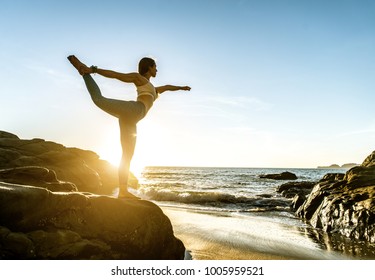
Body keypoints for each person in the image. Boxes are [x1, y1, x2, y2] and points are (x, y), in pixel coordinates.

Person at [67, 55, 191, 199]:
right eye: (155, 66)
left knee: (127, 156)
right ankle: (84, 71)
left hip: (131, 120)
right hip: (134, 110)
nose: (157, 69)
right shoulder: (139, 78)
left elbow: (168, 87)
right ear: (149, 67)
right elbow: (116, 75)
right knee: (99, 100)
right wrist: (93, 69)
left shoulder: (153, 89)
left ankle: (123, 191)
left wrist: (181, 88)